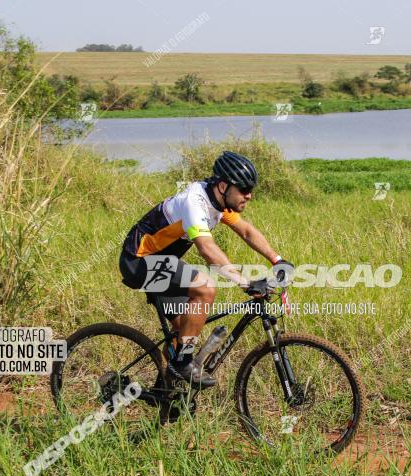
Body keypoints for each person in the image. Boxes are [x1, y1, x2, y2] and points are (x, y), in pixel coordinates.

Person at [119, 151, 290, 390]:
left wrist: (277, 259)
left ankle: (164, 391)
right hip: (138, 261)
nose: (249, 195)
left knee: (184, 329)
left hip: (162, 261)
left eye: (250, 189)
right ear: (223, 186)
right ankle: (184, 363)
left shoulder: (219, 202)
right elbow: (207, 249)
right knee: (206, 288)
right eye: (243, 190)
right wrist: (245, 283)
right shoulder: (194, 202)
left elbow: (247, 231)